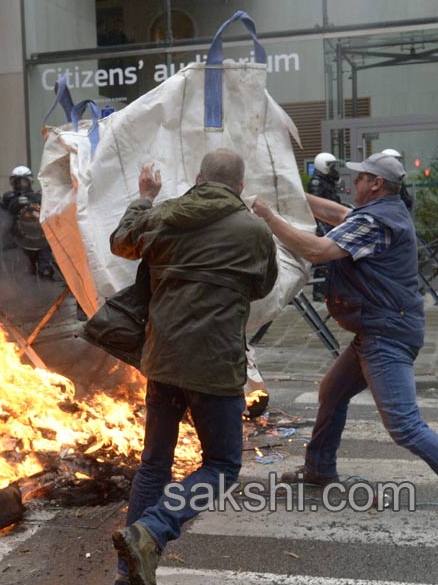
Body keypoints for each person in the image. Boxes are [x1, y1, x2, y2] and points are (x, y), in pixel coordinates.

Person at [251, 151, 438, 548]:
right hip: (377, 328)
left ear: (376, 184)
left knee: (404, 425)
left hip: (387, 333)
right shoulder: (382, 211)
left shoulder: (375, 219)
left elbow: (316, 251)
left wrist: (269, 217)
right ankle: (319, 469)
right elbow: (337, 212)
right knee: (332, 391)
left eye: (361, 177)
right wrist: (290, 194)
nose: (354, 181)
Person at [109, 149, 278, 585]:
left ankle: (129, 571)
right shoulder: (254, 230)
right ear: (239, 187)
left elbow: (121, 240)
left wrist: (145, 197)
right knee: (222, 466)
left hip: (162, 358)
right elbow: (262, 286)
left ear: (199, 178)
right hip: (215, 366)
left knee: (154, 465)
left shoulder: (164, 214)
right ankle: (152, 530)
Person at [2, 165, 56, 280]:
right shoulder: (8, 197)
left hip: (39, 239)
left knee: (45, 271)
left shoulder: (38, 198)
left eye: (24, 182)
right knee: (24, 274)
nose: (21, 185)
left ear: (30, 181)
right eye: (18, 182)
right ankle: (30, 296)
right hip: (18, 240)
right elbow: (4, 217)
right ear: (13, 183)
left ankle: (48, 295)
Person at [307, 152, 344, 300]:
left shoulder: (327, 181)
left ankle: (327, 290)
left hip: (329, 223)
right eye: (331, 166)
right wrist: (324, 229)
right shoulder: (317, 183)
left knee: (330, 260)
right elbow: (317, 209)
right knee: (324, 260)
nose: (334, 169)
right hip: (323, 225)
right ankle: (319, 292)